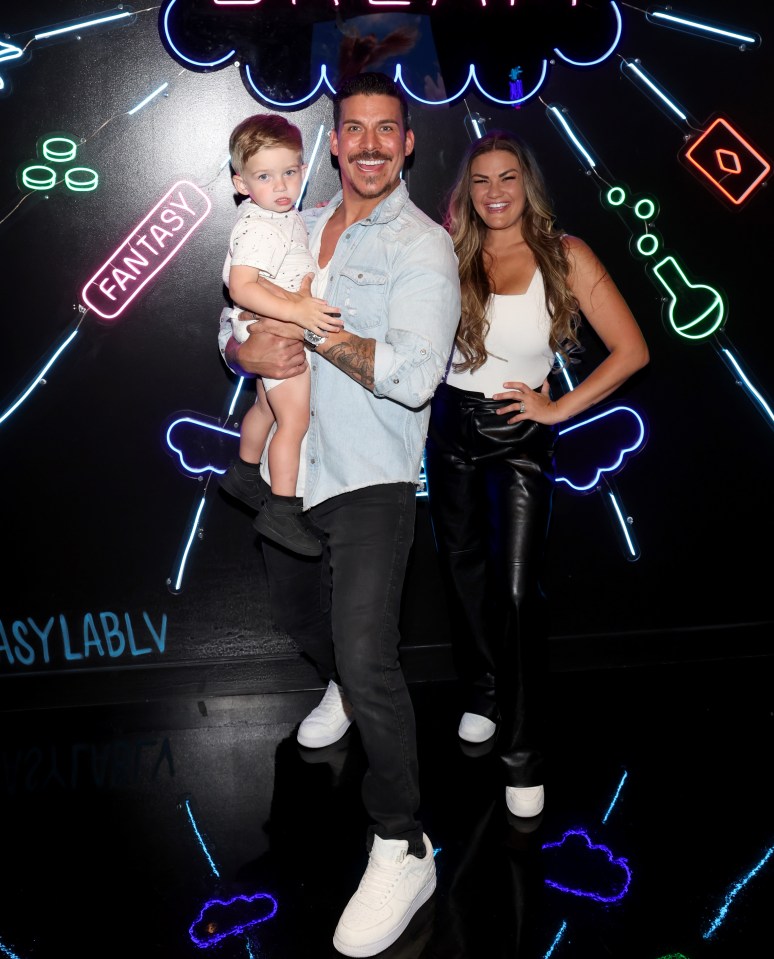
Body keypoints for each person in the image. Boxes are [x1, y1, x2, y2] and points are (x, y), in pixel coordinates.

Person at [218, 73, 460, 957]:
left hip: (369, 476)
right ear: (333, 141)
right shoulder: (291, 216)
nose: (365, 142)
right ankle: (342, 686)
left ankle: (404, 841)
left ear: (406, 145)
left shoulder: (424, 248)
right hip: (296, 475)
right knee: (300, 623)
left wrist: (309, 329)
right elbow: (233, 323)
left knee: (367, 653)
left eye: (383, 130)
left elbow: (412, 375)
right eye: (350, 127)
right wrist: (249, 341)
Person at [424, 130, 649, 820]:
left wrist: (555, 410)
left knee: (519, 592)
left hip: (521, 437)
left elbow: (632, 350)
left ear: (529, 185)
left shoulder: (565, 254)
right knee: (463, 575)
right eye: (482, 180)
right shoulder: (445, 252)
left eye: (508, 178)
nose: (495, 192)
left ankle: (523, 752)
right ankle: (486, 687)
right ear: (468, 190)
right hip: (449, 428)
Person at [218, 113, 344, 556]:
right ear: (241, 184)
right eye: (265, 177)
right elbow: (241, 286)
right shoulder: (259, 226)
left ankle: (243, 473)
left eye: (289, 173)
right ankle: (283, 510)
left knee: (267, 409)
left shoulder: (282, 216)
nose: (282, 186)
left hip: (262, 327)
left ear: (304, 170)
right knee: (296, 421)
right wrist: (298, 310)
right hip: (277, 337)